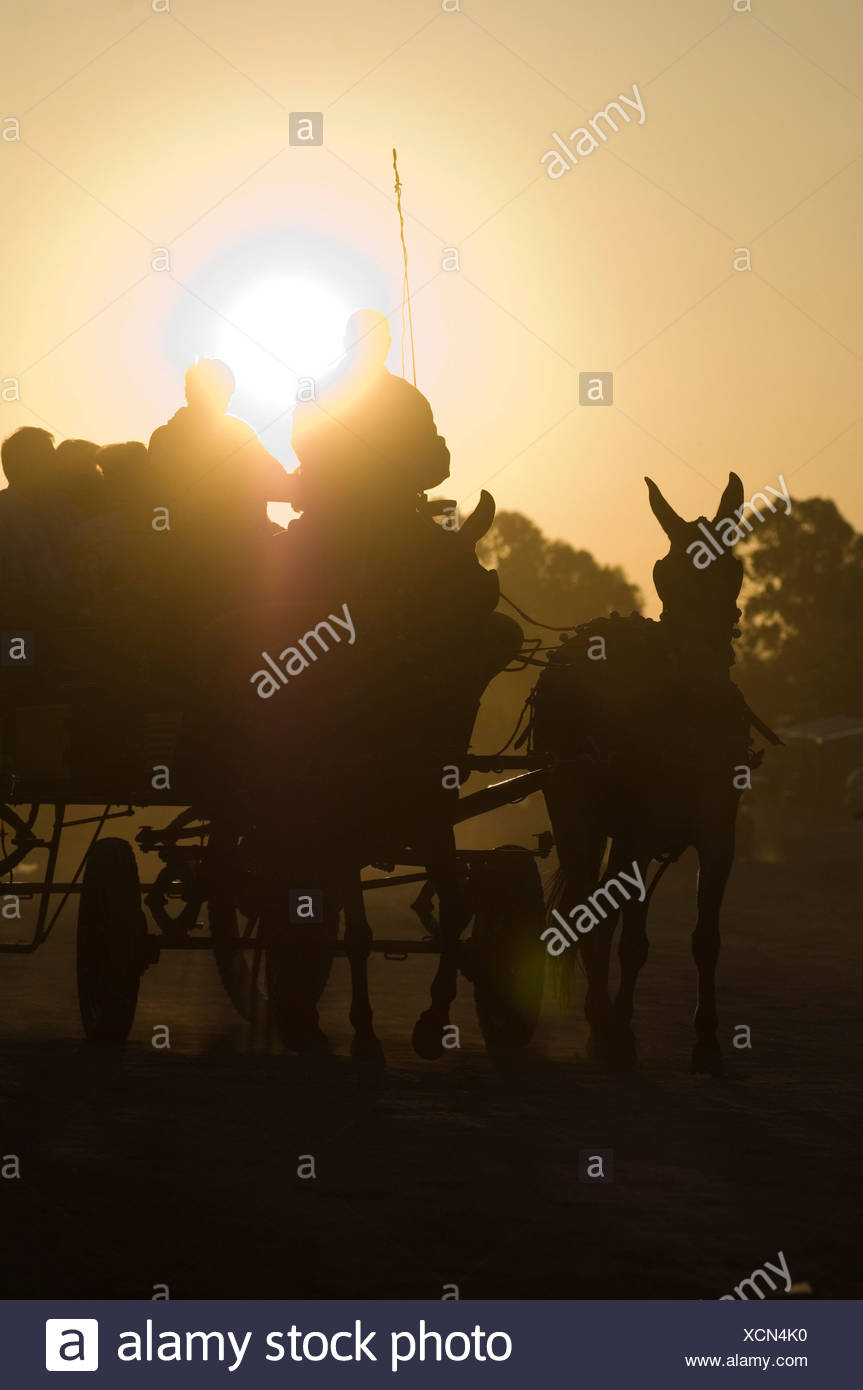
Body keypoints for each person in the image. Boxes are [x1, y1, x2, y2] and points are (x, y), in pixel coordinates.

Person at [148, 359, 293, 541]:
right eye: (223, 393)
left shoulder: (161, 438)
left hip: (178, 547)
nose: (226, 401)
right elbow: (277, 483)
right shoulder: (236, 433)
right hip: (236, 548)